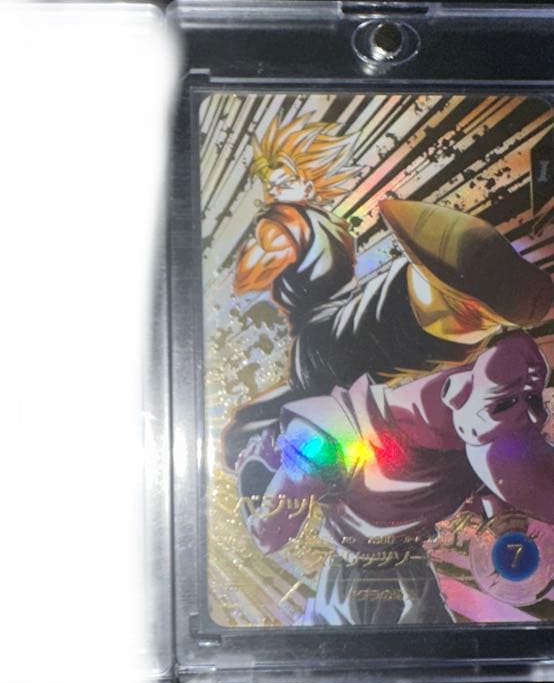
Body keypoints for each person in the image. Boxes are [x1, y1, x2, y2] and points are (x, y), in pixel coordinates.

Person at [223, 114, 554, 472]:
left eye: (283, 182)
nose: (276, 192)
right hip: (349, 353)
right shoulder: (317, 229)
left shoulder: (296, 227)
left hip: (340, 353)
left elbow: (246, 277)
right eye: (274, 186)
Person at [239, 330, 554, 626]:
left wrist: (510, 544)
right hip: (350, 590)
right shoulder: (330, 438)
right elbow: (268, 537)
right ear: (458, 392)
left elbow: (503, 516)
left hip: (416, 582)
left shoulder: (477, 444)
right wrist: (254, 473)